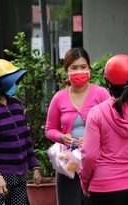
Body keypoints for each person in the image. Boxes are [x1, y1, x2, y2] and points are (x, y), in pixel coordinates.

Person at [79, 54, 128, 205]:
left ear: (108, 83)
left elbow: (89, 155)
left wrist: (84, 181)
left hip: (105, 188)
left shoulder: (97, 113)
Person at [45, 47, 110, 205]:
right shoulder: (59, 97)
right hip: (68, 164)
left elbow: (111, 128)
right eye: (74, 68)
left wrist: (91, 140)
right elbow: (49, 129)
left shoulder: (102, 94)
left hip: (97, 163)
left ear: (89, 68)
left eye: (83, 67)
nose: (79, 71)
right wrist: (61, 137)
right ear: (66, 70)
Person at [0, 59, 43, 205]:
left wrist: (34, 167)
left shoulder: (16, 104)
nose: (14, 84)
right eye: (8, 80)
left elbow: (25, 138)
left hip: (18, 173)